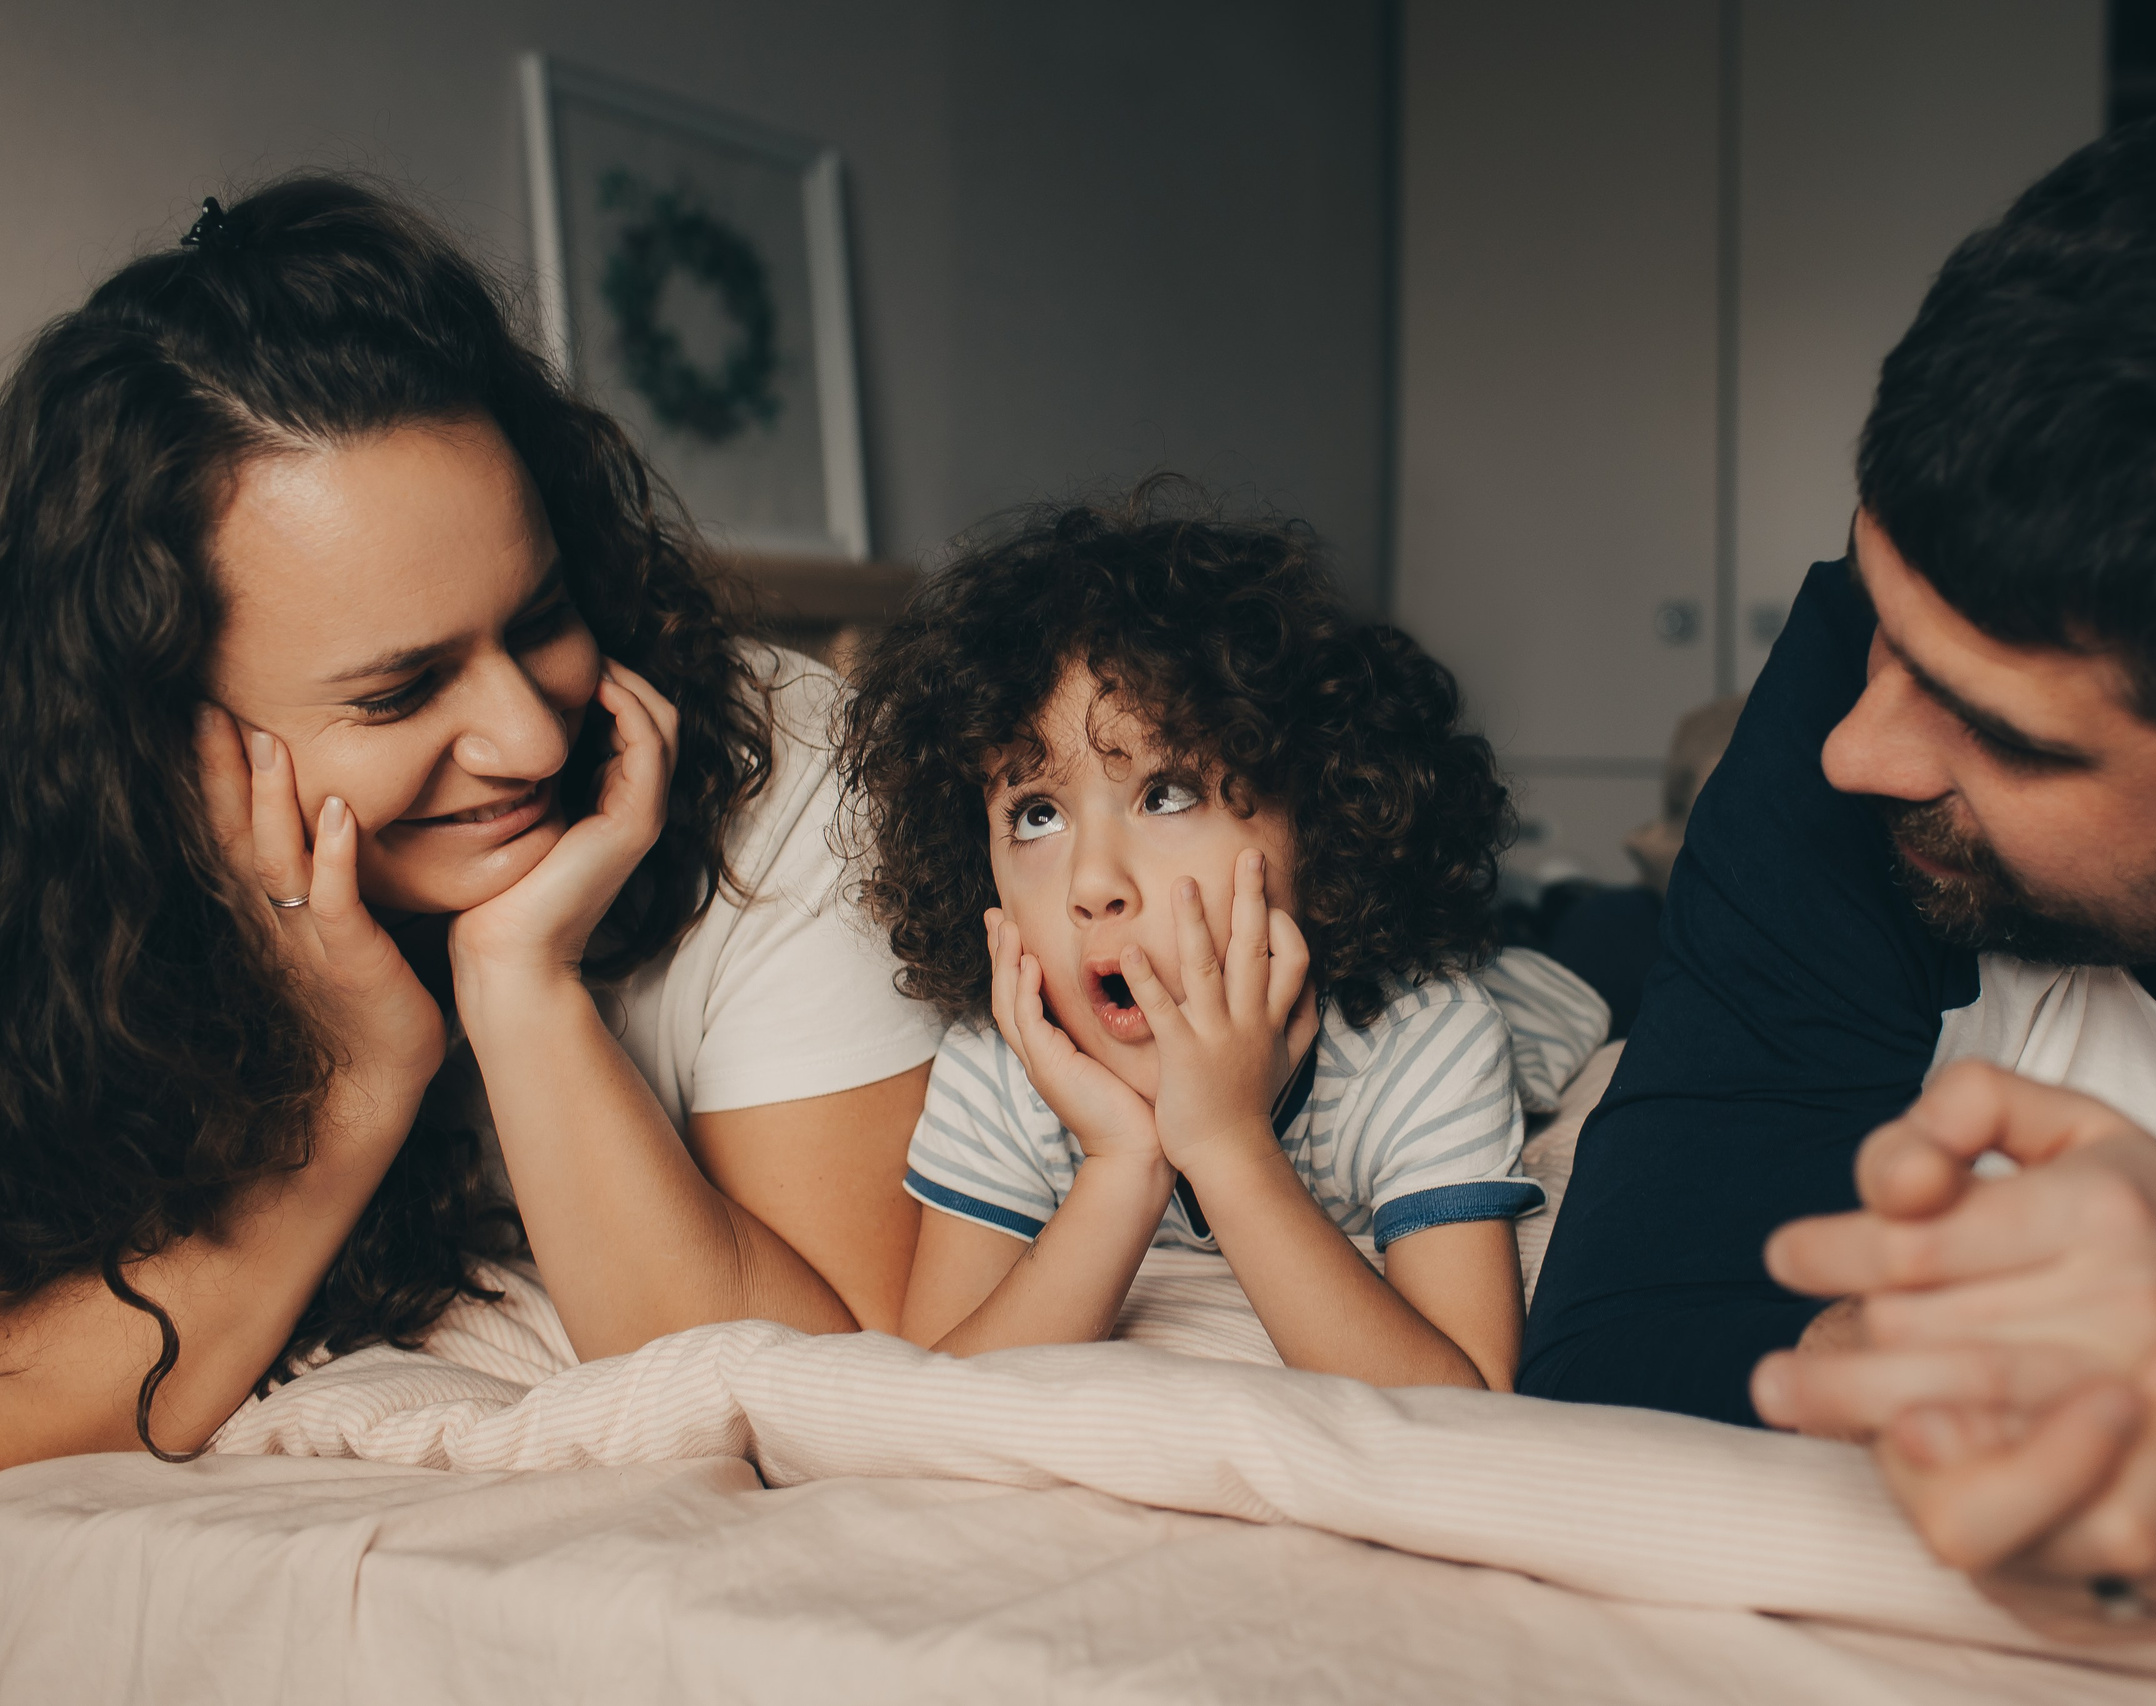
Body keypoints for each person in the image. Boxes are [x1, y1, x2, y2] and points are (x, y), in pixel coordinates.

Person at [1521, 104, 2156, 1638]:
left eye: (2007, 733)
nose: (1855, 752)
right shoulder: (1848, 710)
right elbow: (1619, 1340)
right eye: (1881, 615)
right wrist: (1976, 1376)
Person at [0, 178, 943, 1470]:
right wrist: (357, 1088)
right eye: (399, 691)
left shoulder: (785, 769)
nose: (535, 739)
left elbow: (841, 1399)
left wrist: (521, 987)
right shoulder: (71, 878)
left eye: (542, 616)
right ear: (165, 731)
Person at [839, 491, 1608, 1388]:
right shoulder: (1004, 1068)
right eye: (1037, 814)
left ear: (1319, 820)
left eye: (1165, 794)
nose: (1092, 885)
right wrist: (1123, 1166)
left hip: (1532, 987)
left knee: (1575, 954)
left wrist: (1229, 1146)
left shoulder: (1425, 1036)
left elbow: (1460, 1397)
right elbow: (936, 1388)